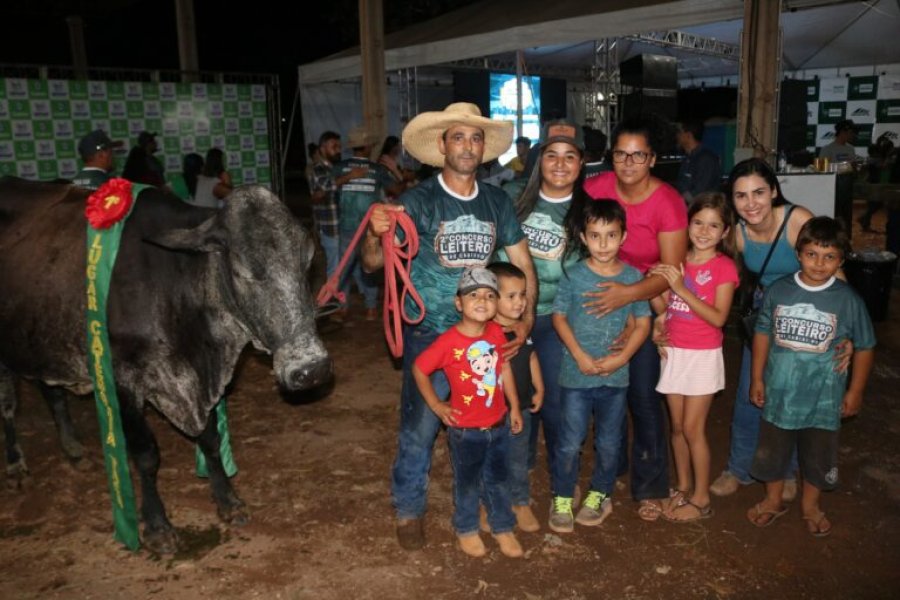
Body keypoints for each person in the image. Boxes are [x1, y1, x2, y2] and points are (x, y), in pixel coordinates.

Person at [360, 102, 536, 551]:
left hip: (484, 335)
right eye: (458, 137)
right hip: (431, 331)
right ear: (441, 146)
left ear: (483, 149)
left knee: (488, 421)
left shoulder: (497, 201)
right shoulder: (416, 201)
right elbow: (373, 262)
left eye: (475, 138)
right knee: (420, 426)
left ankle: (485, 503)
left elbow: (521, 260)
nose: (467, 146)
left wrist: (526, 315)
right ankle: (409, 508)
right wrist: (374, 232)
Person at [583, 118, 689, 520]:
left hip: (647, 298)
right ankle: (610, 471)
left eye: (638, 155)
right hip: (600, 298)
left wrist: (629, 298)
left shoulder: (667, 201)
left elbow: (670, 271)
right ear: (611, 157)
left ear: (652, 159)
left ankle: (650, 484)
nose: (629, 162)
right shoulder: (594, 189)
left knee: (643, 396)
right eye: (621, 154)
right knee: (603, 393)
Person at [746, 217, 874, 537]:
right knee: (772, 452)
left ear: (841, 260)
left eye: (829, 256)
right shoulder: (780, 290)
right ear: (799, 254)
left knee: (818, 454)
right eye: (812, 254)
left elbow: (866, 345)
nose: (819, 263)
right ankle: (773, 499)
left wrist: (855, 391)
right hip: (779, 393)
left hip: (823, 400)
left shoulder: (848, 299)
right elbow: (762, 332)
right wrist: (757, 378)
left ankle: (811, 506)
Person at [710, 158, 819, 501]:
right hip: (764, 316)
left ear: (773, 191)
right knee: (748, 395)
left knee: (790, 398)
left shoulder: (796, 220)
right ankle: (738, 468)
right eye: (741, 196)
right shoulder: (738, 233)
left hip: (806, 315)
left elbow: (829, 268)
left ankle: (785, 470)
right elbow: (707, 265)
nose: (751, 203)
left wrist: (842, 330)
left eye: (758, 192)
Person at [549, 200, 651, 532]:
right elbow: (559, 316)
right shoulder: (574, 275)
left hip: (615, 377)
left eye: (611, 235)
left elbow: (642, 324)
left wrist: (622, 358)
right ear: (583, 236)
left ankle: (599, 493)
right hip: (576, 376)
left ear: (623, 237)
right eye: (595, 235)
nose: (603, 244)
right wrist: (578, 355)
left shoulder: (634, 278)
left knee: (609, 441)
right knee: (569, 440)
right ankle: (562, 495)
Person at [498, 119, 585, 500]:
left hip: (555, 319)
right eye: (552, 156)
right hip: (508, 315)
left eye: (570, 157)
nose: (561, 164)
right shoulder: (513, 198)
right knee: (510, 395)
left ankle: (560, 478)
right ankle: (518, 470)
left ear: (581, 164)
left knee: (552, 401)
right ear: (538, 162)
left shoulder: (589, 210)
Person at [413, 267, 524, 558]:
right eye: (473, 295)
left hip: (498, 424)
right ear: (459, 303)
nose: (482, 301)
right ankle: (467, 528)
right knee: (468, 482)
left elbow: (504, 368)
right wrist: (437, 405)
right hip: (465, 431)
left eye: (489, 295)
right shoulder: (448, 342)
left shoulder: (496, 332)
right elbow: (419, 368)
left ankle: (502, 526)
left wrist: (513, 406)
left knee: (499, 479)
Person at [648, 193, 739, 522]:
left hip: (702, 355)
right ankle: (683, 486)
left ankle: (702, 499)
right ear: (687, 224)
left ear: (725, 232)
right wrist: (660, 321)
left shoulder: (724, 267)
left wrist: (682, 288)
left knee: (692, 428)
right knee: (675, 426)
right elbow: (662, 301)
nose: (704, 231)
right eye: (698, 222)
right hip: (673, 352)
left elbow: (718, 318)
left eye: (714, 225)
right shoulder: (677, 261)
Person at [487, 261, 544, 532]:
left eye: (522, 295)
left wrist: (539, 387)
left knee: (518, 458)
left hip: (520, 409)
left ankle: (521, 502)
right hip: (491, 413)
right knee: (491, 460)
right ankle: (489, 505)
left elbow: (531, 357)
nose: (520, 302)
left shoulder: (522, 330)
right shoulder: (484, 334)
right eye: (511, 296)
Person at [333, 125, 400, 321]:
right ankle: (370, 308)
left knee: (343, 268)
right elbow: (396, 190)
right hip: (369, 228)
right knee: (368, 267)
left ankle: (342, 307)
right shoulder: (377, 170)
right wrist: (396, 174)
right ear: (368, 147)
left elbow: (327, 188)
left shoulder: (339, 168)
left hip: (346, 225)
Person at [310, 131, 344, 282]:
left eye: (339, 146)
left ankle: (342, 299)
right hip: (330, 228)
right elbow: (328, 185)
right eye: (334, 146)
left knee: (344, 265)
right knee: (335, 267)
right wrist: (350, 176)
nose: (338, 150)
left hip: (343, 225)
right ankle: (336, 300)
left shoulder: (337, 168)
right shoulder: (318, 169)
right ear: (322, 149)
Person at [676, 119, 722, 203]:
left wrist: (678, 201)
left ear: (688, 135)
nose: (677, 136)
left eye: (680, 133)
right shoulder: (688, 158)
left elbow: (699, 193)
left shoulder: (706, 159)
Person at [378, 135, 414, 202]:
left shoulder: (396, 159)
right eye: (398, 145)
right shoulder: (385, 160)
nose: (400, 148)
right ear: (393, 147)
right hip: (388, 196)